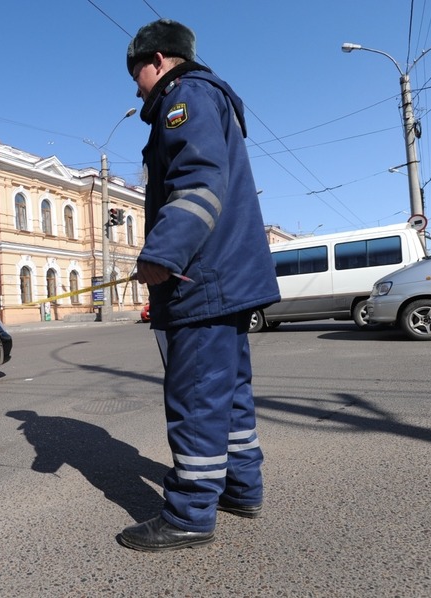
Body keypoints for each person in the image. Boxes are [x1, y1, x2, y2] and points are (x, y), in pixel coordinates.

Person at [120, 20, 281, 551]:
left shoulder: (183, 99)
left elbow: (198, 182)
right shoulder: (210, 99)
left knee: (194, 396)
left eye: (136, 71)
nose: (136, 85)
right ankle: (241, 488)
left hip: (202, 280)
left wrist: (163, 253)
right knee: (229, 395)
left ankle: (189, 514)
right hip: (227, 278)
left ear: (159, 59)